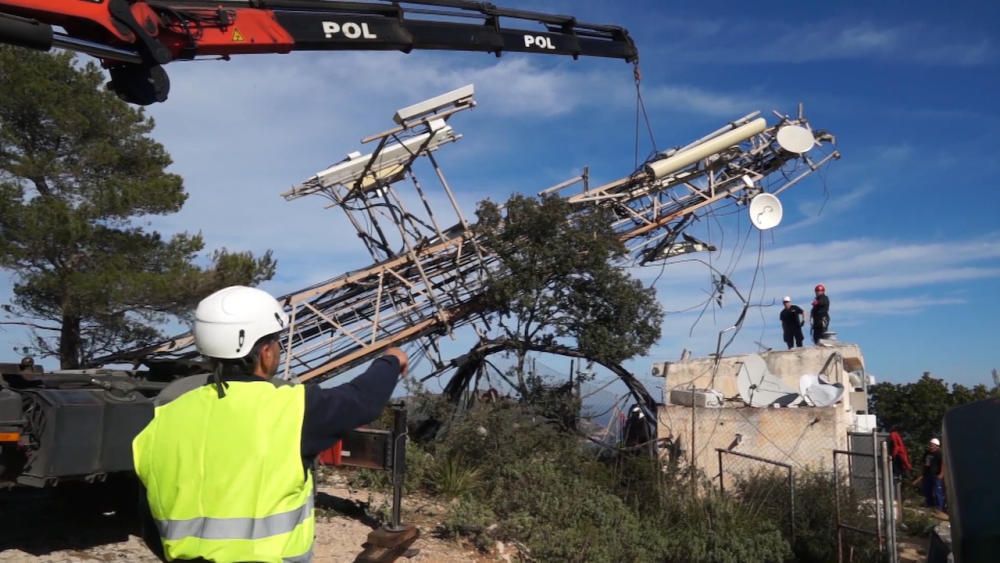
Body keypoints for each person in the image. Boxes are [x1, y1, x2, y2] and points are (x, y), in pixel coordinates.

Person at [132, 286, 407, 562]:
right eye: (277, 342)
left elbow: (149, 522)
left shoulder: (161, 420)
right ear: (265, 352)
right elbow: (363, 399)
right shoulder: (293, 409)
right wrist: (391, 360)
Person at [921, 438, 945, 511]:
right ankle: (929, 505)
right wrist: (922, 472)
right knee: (927, 490)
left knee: (938, 491)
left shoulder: (939, 453)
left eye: (932, 445)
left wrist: (941, 474)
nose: (930, 446)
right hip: (927, 474)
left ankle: (939, 507)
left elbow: (943, 464)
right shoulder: (927, 453)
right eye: (930, 445)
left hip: (936, 475)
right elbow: (923, 463)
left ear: (936, 446)